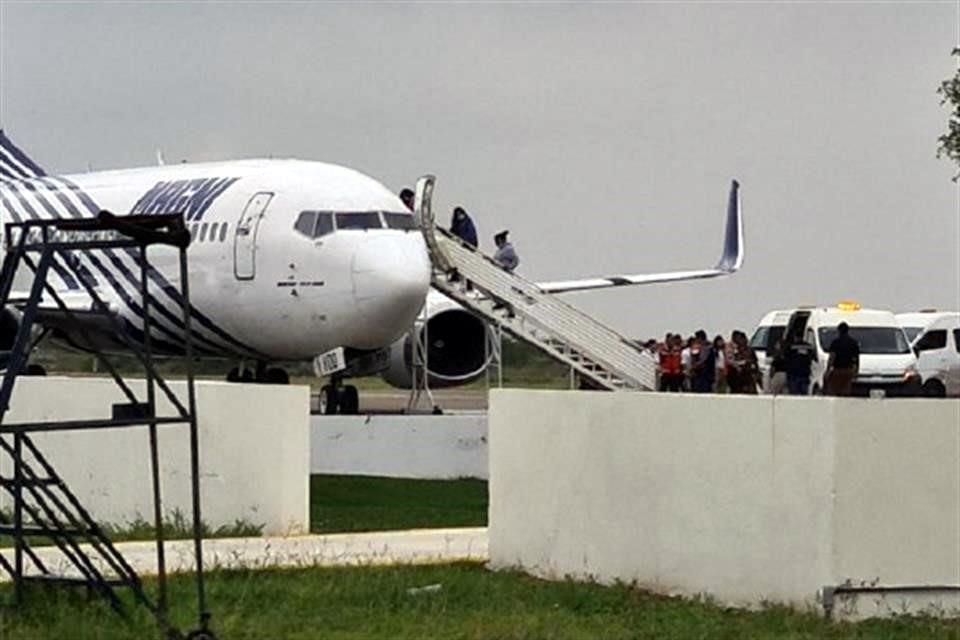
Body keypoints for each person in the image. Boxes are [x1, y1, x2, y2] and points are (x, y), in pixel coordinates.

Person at [825, 322, 859, 396]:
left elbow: (832, 357)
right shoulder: (853, 343)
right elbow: (856, 358)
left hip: (837, 370)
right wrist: (856, 371)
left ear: (839, 331)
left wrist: (828, 370)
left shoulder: (835, 342)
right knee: (846, 392)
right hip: (848, 371)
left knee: (834, 391)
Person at [784, 330, 815, 395]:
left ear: (795, 337)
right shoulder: (808, 347)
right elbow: (812, 357)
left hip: (793, 374)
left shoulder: (791, 346)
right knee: (804, 394)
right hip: (805, 373)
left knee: (794, 394)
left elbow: (786, 358)